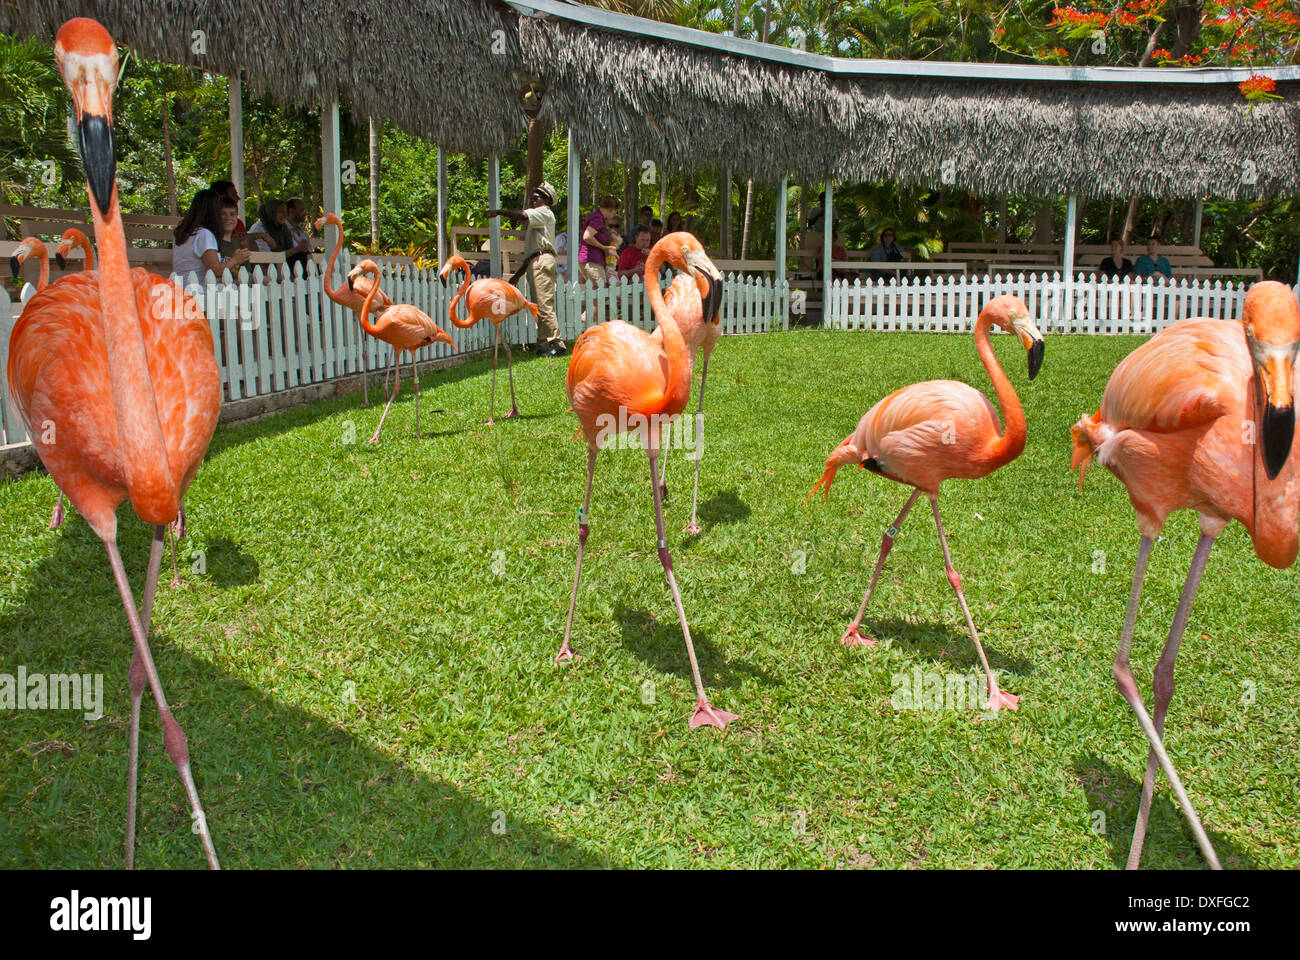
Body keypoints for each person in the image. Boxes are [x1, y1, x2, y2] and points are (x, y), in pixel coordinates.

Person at [485, 180, 566, 356]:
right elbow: (531, 253)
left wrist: (498, 212)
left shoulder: (544, 212)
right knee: (538, 305)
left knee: (544, 304)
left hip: (542, 261)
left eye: (535, 197)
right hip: (535, 261)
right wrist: (517, 275)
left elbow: (522, 215)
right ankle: (544, 344)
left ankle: (557, 343)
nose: (531, 200)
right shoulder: (537, 222)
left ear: (545, 199)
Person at [172, 188, 249, 279]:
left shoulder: (184, 233)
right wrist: (235, 259)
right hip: (200, 290)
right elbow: (216, 270)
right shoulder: (204, 234)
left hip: (180, 288)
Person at [578, 196, 619, 287]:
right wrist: (604, 248)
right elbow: (587, 236)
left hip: (593, 259)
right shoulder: (598, 218)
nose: (614, 214)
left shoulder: (598, 217)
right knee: (601, 293)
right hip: (591, 259)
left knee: (602, 292)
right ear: (611, 209)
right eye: (616, 212)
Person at [283, 196, 313, 275]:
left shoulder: (303, 232)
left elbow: (309, 250)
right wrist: (298, 249)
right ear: (292, 211)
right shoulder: (282, 229)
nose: (305, 213)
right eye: (302, 210)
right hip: (289, 268)